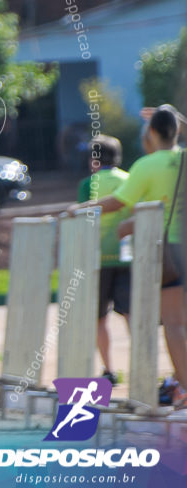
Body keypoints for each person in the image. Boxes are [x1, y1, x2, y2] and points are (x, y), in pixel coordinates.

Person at [74, 105, 187, 407]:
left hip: (169, 251)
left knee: (175, 323)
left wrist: (79, 209)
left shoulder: (147, 166)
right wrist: (175, 119)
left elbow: (117, 202)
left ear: (151, 132)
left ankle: (185, 388)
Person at [77, 135, 132, 386]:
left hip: (99, 259)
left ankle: (109, 369)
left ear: (94, 160)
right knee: (132, 313)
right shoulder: (129, 179)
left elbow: (83, 221)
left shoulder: (88, 184)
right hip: (127, 256)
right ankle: (140, 362)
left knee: (100, 317)